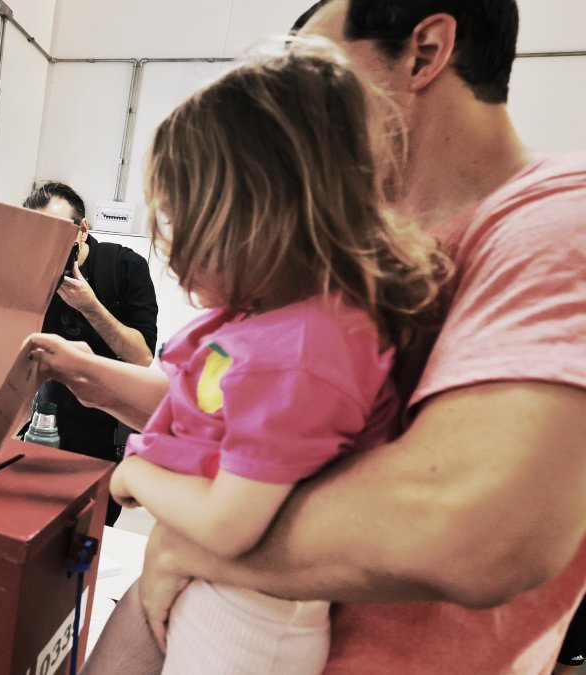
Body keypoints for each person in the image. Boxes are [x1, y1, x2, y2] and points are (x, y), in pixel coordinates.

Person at [35, 1, 586, 673]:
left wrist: (191, 542)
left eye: (317, 72)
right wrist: (83, 373)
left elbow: (484, 530)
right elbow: (258, 420)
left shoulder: (558, 224)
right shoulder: (357, 259)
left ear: (424, 52)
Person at [89, 42, 443, 673]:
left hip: (249, 615)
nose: (173, 254)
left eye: (187, 226)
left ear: (259, 217)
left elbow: (229, 525)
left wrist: (133, 475)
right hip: (223, 589)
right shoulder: (271, 322)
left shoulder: (302, 350)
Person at [22, 181, 159, 525]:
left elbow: (142, 357)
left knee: (88, 537)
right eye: (38, 236)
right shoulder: (33, 276)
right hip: (45, 431)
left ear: (82, 229)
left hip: (107, 439)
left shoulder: (124, 266)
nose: (48, 246)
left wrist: (91, 307)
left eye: (58, 233)